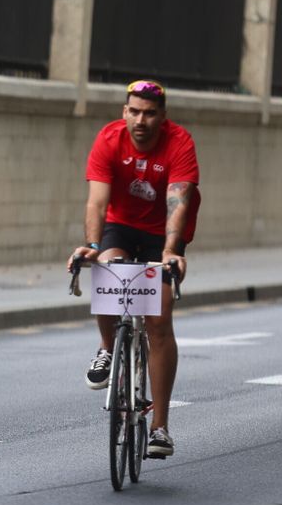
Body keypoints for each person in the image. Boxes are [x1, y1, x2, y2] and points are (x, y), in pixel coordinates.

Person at [69, 80, 199, 459]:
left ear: (162, 116)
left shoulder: (179, 142)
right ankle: (109, 349)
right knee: (107, 271)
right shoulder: (109, 139)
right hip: (121, 226)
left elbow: (179, 200)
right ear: (125, 111)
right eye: (134, 111)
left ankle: (160, 427)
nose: (141, 120)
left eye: (150, 113)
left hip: (163, 232)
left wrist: (172, 251)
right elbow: (97, 201)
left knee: (158, 318)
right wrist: (92, 247)